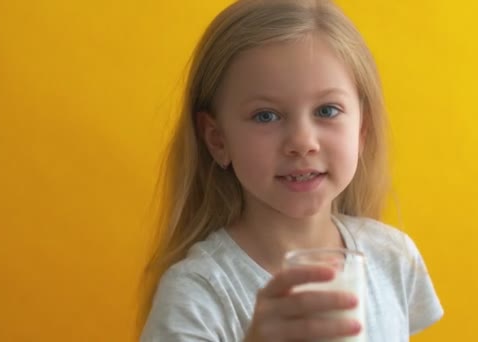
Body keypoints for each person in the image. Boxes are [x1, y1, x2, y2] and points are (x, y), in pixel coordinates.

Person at [138, 0, 443, 340]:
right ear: (217, 139)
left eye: (327, 110)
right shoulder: (199, 293)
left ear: (361, 130)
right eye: (265, 115)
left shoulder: (392, 257)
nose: (302, 142)